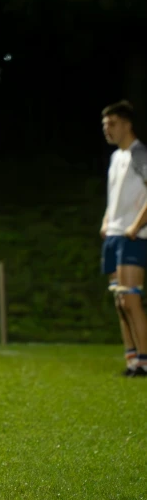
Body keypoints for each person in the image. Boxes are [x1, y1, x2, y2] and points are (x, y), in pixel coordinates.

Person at [101, 100, 147, 377]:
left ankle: (144, 359)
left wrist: (135, 226)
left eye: (112, 124)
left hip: (134, 236)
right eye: (105, 125)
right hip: (113, 236)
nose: (107, 129)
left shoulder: (140, 153)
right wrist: (107, 221)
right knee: (120, 301)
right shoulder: (117, 156)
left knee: (131, 299)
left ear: (127, 124)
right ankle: (132, 359)